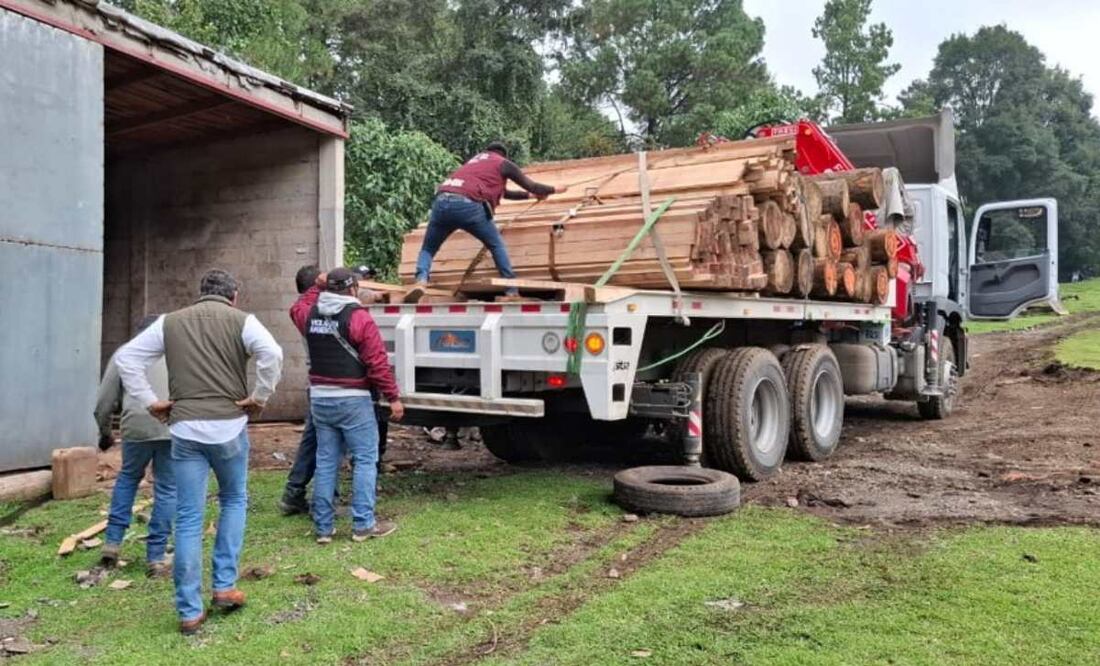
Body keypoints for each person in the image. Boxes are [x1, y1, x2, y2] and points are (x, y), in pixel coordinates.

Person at [116, 269, 283, 635]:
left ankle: (189, 611)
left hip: (185, 429)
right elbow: (272, 353)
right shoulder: (244, 321)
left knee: (190, 516)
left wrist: (150, 401)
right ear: (234, 296)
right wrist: (260, 397)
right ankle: (224, 586)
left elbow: (126, 359)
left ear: (199, 294)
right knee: (234, 500)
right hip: (229, 427)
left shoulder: (168, 323)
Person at [290, 267, 404, 544]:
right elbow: (377, 363)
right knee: (365, 459)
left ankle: (323, 528)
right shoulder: (359, 318)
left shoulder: (309, 315)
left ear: (327, 289)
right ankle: (363, 524)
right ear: (353, 289)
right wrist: (393, 398)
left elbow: (298, 306)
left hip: (320, 400)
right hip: (353, 400)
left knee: (327, 462)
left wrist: (316, 285)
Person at [408, 141, 566, 301]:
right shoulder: (502, 163)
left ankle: (421, 281)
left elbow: (503, 192)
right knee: (496, 244)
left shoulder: (473, 163)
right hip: (468, 206)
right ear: (503, 155)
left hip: (441, 202)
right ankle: (511, 290)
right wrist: (554, 189)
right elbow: (531, 185)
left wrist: (530, 196)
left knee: (428, 248)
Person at [94, 315, 175, 578]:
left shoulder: (124, 353)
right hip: (170, 426)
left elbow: (104, 402)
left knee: (128, 479)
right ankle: (156, 556)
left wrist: (105, 433)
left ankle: (112, 543)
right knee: (166, 488)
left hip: (135, 427)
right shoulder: (178, 353)